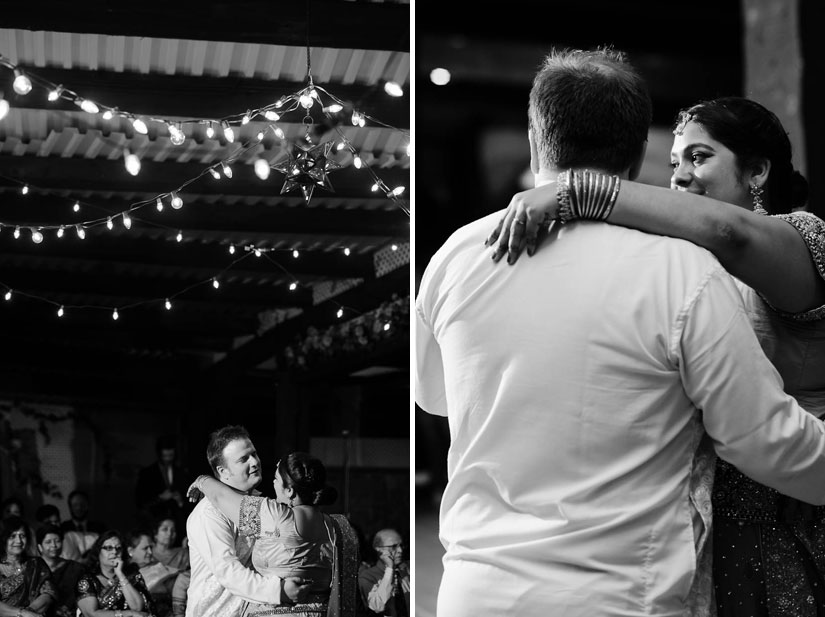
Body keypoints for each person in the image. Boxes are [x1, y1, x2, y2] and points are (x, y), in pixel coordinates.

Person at [415, 47, 825, 617]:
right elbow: (761, 437)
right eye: (675, 159)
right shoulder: (681, 271)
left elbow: (433, 395)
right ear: (639, 157)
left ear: (536, 138)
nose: (680, 175)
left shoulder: (456, 256)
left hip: (477, 592)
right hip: (620, 595)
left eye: (699, 156)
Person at [187, 451, 348, 617]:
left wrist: (201, 480)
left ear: (290, 491)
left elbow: (220, 496)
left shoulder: (276, 516)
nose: (273, 482)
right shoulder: (338, 527)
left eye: (276, 479)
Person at [185, 425, 310, 617]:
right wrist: (279, 590)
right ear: (223, 471)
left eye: (254, 454)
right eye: (243, 459)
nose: (254, 462)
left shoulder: (260, 504)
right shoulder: (208, 513)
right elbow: (227, 571)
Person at [75, 530, 153, 617]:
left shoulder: (131, 575)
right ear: (98, 551)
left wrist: (120, 574)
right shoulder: (87, 580)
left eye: (118, 548)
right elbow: (91, 614)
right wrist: (126, 614)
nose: (114, 552)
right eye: (108, 548)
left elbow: (138, 608)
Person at [0, 516, 55, 617]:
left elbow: (48, 593)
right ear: (3, 539)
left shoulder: (36, 564)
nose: (19, 541)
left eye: (22, 536)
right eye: (12, 536)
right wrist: (22, 613)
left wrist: (30, 612)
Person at [136, 436, 189, 530]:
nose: (168, 459)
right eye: (165, 456)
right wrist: (160, 498)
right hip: (153, 524)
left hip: (177, 525)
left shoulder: (181, 472)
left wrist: (180, 501)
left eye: (171, 456)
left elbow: (188, 502)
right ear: (159, 454)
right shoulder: (147, 473)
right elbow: (140, 502)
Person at [126, 528, 179, 617]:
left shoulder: (160, 568)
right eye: (145, 548)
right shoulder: (122, 574)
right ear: (131, 551)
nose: (150, 552)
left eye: (151, 547)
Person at [35, 523, 85, 617]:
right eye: (48, 542)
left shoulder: (76, 568)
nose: (54, 545)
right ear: (40, 546)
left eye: (57, 541)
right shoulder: (32, 569)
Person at [357, 529, 409, 616]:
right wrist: (389, 569)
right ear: (378, 549)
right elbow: (378, 606)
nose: (400, 550)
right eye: (394, 546)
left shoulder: (406, 570)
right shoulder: (367, 577)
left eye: (401, 545)